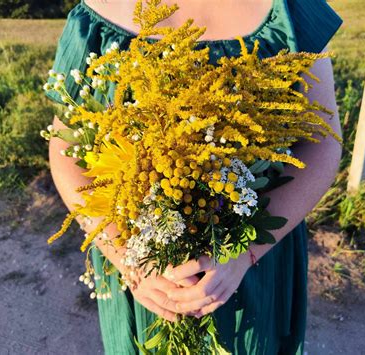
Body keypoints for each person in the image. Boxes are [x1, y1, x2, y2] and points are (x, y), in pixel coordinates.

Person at [47, 0, 343, 353]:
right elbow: (65, 152)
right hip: (144, 279)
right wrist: (126, 256)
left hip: (254, 264)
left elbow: (321, 146)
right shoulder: (96, 13)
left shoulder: (289, 11)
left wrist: (243, 253)